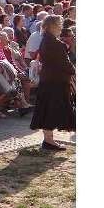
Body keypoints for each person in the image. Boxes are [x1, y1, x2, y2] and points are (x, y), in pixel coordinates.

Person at [30, 15, 75, 149]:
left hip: (48, 80)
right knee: (51, 111)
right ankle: (49, 141)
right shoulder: (56, 43)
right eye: (59, 25)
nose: (61, 28)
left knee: (46, 110)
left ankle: (48, 140)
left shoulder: (46, 40)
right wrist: (73, 70)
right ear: (54, 26)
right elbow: (65, 63)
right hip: (56, 82)